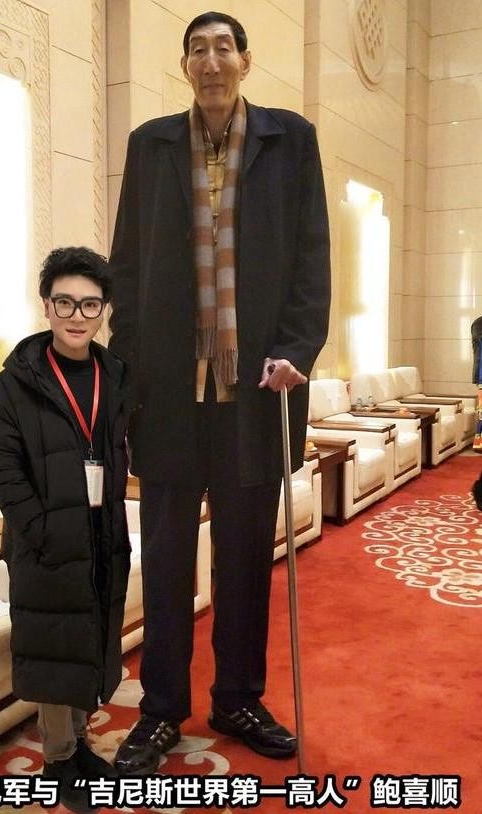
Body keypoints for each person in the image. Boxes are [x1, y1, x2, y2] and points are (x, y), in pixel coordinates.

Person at [108, 11, 331, 775]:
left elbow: (311, 257)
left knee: (242, 559)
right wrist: (127, 368)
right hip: (169, 393)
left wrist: (296, 350)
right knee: (168, 560)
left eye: (223, 47)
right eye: (197, 48)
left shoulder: (288, 140)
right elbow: (127, 266)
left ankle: (237, 696)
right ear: (184, 65)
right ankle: (161, 708)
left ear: (244, 60)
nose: (211, 60)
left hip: (255, 391)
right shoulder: (151, 145)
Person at [0, 247, 130, 813]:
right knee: (54, 648)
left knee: (89, 640)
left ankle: (80, 745)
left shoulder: (114, 374)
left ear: (103, 310)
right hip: (45, 541)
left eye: (90, 304)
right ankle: (59, 760)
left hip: (100, 533)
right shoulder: (17, 380)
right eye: (64, 301)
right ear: (46, 306)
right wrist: (39, 529)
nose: (77, 315)